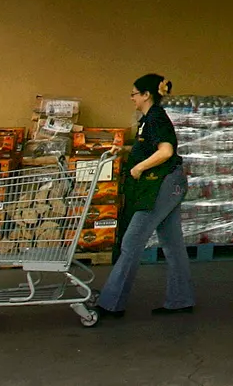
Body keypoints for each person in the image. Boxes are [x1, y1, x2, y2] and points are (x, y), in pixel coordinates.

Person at [95, 73, 194, 318]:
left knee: (131, 242)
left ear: (146, 94)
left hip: (160, 184)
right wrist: (126, 150)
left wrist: (139, 167)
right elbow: (149, 147)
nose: (132, 98)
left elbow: (166, 151)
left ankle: (111, 303)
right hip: (170, 184)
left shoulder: (156, 117)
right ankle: (181, 299)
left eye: (134, 94)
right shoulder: (147, 119)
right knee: (172, 243)